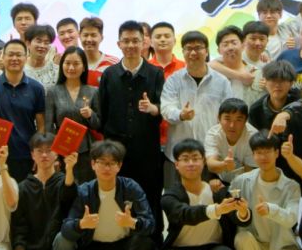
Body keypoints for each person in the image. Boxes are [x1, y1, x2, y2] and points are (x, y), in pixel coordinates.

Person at [63, 139, 157, 250]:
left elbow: (151, 224)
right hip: (96, 248)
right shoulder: (84, 191)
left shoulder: (130, 187)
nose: (107, 168)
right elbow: (66, 228)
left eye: (112, 163)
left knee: (143, 243)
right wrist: (81, 224)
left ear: (119, 166)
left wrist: (133, 222)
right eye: (102, 162)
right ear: (93, 164)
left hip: (126, 246)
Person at [152, 139, 244, 250]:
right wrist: (215, 209)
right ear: (176, 164)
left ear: (204, 162)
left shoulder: (218, 191)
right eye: (185, 159)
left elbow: (239, 218)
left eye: (195, 158)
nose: (191, 163)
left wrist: (243, 212)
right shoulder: (170, 196)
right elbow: (185, 214)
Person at [95, 21, 167, 201]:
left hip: (147, 149)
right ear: (119, 44)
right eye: (126, 41)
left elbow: (164, 108)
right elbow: (102, 112)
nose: (131, 45)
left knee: (149, 196)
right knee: (117, 196)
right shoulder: (109, 74)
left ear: (144, 43)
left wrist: (153, 108)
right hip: (116, 151)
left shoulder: (156, 74)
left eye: (135, 41)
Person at [11, 133, 75, 250]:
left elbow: (69, 197)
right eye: (39, 151)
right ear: (32, 154)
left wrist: (69, 170)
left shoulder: (64, 182)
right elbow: (19, 225)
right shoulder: (23, 187)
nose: (44, 155)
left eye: (49, 150)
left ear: (57, 153)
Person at [160, 31, 234, 161]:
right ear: (183, 52)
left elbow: (228, 113)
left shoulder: (222, 82)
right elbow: (166, 108)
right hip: (178, 152)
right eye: (188, 48)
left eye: (198, 48)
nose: (193, 53)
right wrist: (181, 114)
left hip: (211, 151)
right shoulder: (173, 80)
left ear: (207, 51)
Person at [0, 42, 47, 181]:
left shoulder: (36, 88)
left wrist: (38, 153)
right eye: (10, 54)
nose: (14, 59)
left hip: (26, 154)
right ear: (3, 57)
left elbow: (41, 125)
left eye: (19, 55)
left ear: (26, 57)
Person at [248, 60, 302, 179]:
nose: (277, 85)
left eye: (282, 80)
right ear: (265, 81)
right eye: (273, 80)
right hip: (271, 167)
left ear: (291, 83)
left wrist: (284, 115)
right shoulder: (256, 110)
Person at [44, 46, 98, 184]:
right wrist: (53, 155)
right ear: (62, 65)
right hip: (62, 150)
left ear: (84, 67)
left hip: (86, 151)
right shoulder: (53, 92)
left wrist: (90, 115)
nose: (71, 68)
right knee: (64, 190)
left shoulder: (93, 91)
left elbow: (99, 125)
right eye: (67, 63)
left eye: (76, 63)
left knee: (86, 189)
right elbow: (48, 126)